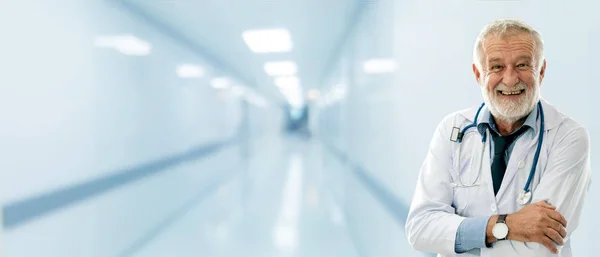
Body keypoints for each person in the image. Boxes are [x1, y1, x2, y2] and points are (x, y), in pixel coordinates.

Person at [405, 18, 592, 257]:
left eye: (523, 65)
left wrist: (461, 236)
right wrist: (506, 226)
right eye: (496, 67)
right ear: (478, 74)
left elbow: (539, 247)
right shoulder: (452, 130)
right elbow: (421, 229)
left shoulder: (568, 136)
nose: (511, 79)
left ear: (542, 70)